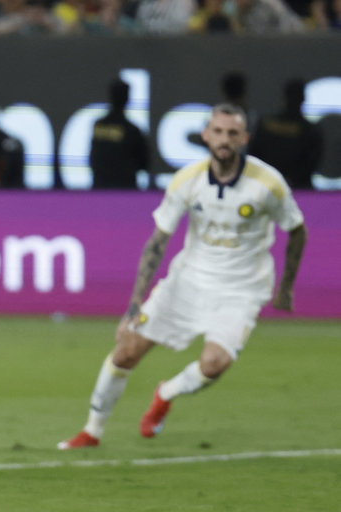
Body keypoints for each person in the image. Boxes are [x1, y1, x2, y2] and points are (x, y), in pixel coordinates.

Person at [58, 104, 307, 450]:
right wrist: (134, 307)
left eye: (232, 133)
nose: (224, 139)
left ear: (244, 139)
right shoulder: (187, 180)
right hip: (188, 281)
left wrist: (286, 288)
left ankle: (166, 393)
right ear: (205, 135)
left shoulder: (268, 183)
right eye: (217, 132)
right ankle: (92, 431)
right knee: (126, 351)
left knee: (214, 364)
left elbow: (297, 229)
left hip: (242, 289)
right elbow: (157, 242)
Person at [248, 78, 323, 189]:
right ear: (303, 98)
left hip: (268, 187)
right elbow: (310, 163)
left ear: (284, 97)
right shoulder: (311, 131)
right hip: (297, 189)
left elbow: (254, 155)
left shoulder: (266, 124)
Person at [89, 78, 150, 189]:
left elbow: (93, 159)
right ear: (127, 98)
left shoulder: (99, 125)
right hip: (124, 191)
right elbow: (144, 163)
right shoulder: (132, 130)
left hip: (100, 189)